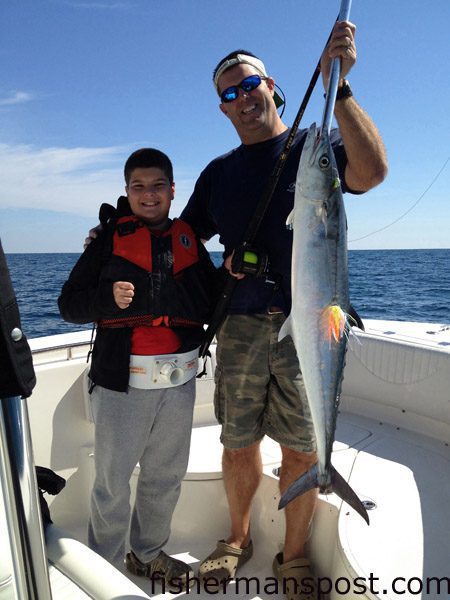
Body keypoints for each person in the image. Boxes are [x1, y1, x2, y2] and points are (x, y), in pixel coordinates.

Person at [179, 20, 388, 600]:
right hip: (242, 325)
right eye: (228, 94)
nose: (242, 99)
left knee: (301, 445)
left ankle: (292, 558)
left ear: (271, 87)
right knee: (237, 439)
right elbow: (185, 240)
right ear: (221, 109)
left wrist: (339, 87)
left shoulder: (314, 147)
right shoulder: (218, 174)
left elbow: (370, 173)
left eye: (249, 86)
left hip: (315, 320)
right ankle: (236, 540)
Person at [59, 148, 217, 588]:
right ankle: (103, 568)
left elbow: (214, 295)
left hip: (180, 381)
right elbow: (68, 304)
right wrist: (106, 300)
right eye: (138, 187)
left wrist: (240, 274)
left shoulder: (190, 239)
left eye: (157, 186)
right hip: (121, 384)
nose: (148, 195)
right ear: (126, 191)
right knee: (112, 484)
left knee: (164, 477)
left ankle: (146, 554)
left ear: (172, 190)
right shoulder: (109, 239)